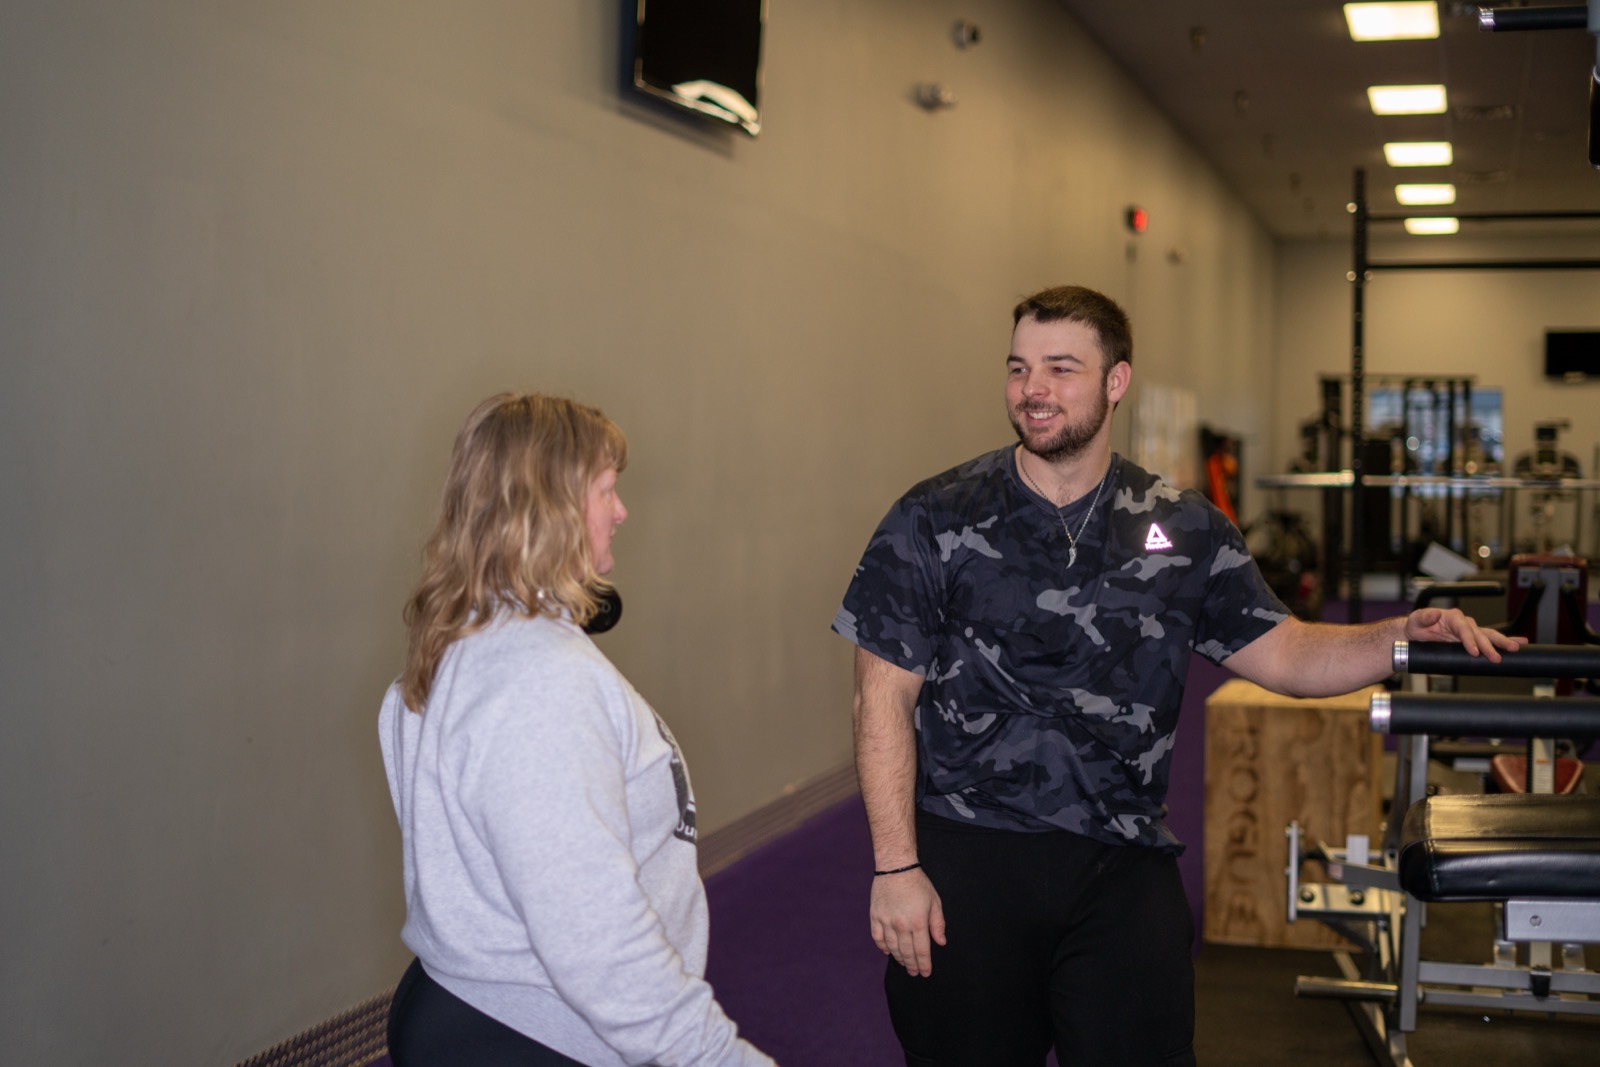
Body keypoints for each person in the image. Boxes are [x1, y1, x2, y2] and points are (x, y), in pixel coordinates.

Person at [831, 286, 1521, 1067]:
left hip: (1121, 858)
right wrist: (896, 864)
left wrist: (1400, 636)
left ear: (1116, 381)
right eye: (1020, 367)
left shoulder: (1184, 526)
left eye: (1062, 368)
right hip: (970, 856)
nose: (1034, 389)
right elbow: (880, 694)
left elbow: (1286, 652)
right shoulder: (934, 516)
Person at [379, 393, 774, 1067]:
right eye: (606, 491)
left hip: (476, 1009)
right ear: (550, 507)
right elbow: (594, 936)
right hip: (530, 1032)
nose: (621, 511)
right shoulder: (539, 681)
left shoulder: (465, 641)